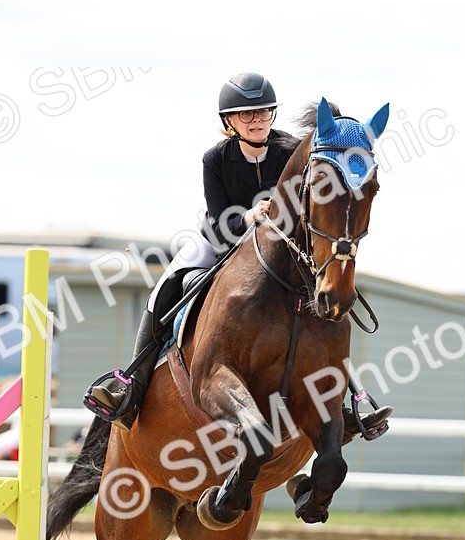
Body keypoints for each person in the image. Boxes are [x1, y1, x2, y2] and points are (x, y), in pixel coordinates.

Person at [86, 72, 392, 440]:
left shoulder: (291, 151)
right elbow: (218, 219)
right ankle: (132, 386)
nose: (257, 120)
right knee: (165, 288)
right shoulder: (215, 159)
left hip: (279, 249)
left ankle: (345, 403)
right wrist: (249, 216)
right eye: (246, 114)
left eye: (263, 112)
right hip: (222, 239)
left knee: (325, 302)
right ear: (229, 121)